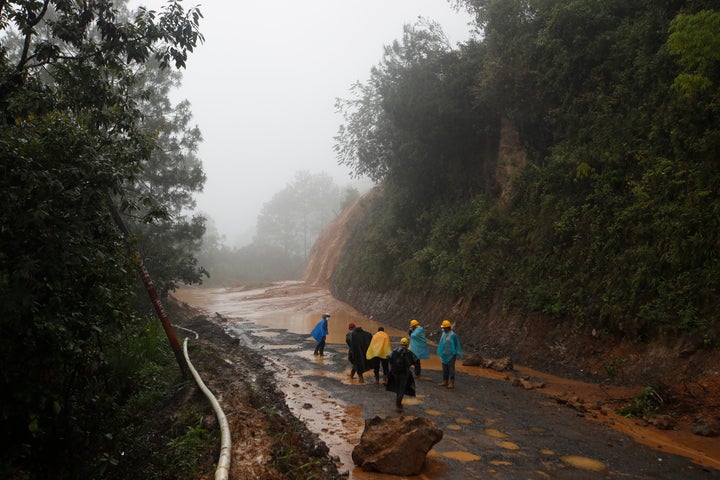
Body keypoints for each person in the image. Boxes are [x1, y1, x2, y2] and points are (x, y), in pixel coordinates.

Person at [386, 337, 420, 411]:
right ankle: (398, 405)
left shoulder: (395, 351)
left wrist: (392, 365)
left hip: (395, 372)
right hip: (404, 373)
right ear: (407, 345)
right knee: (402, 389)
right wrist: (416, 372)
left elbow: (388, 357)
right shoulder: (409, 352)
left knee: (398, 387)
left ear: (400, 343)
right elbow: (416, 360)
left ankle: (398, 403)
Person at [437, 319, 463, 389]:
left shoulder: (453, 335)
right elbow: (441, 343)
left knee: (451, 368)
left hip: (451, 355)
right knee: (445, 368)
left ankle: (452, 383)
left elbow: (456, 344)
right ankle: (445, 381)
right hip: (444, 354)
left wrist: (457, 352)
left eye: (443, 327)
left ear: (446, 327)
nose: (442, 328)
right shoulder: (443, 334)